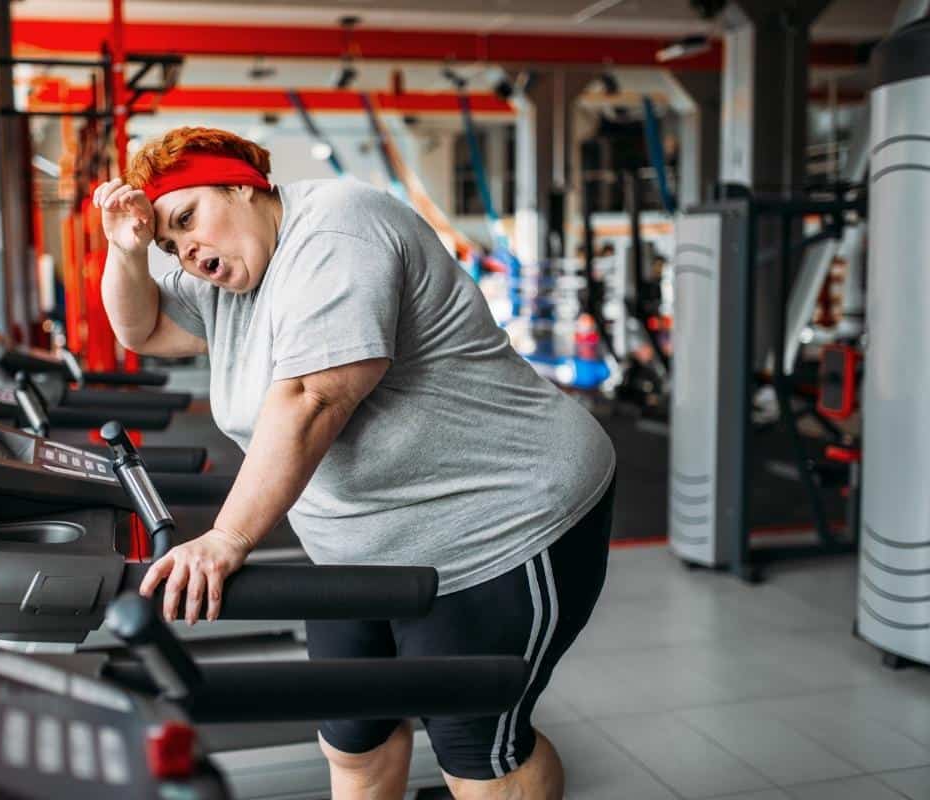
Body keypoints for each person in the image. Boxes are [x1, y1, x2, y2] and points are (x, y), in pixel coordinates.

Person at [95, 127, 616, 800]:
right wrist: (128, 253)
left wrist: (226, 538)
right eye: (170, 243)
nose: (186, 252)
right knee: (353, 742)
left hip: (500, 524)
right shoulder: (230, 288)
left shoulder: (338, 229)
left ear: (243, 186)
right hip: (359, 548)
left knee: (481, 756)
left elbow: (311, 398)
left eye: (187, 220)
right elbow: (139, 330)